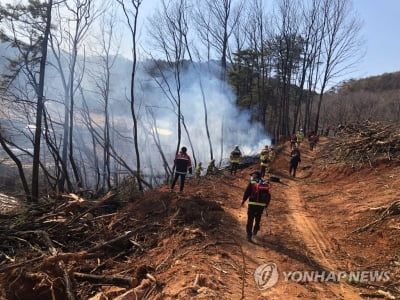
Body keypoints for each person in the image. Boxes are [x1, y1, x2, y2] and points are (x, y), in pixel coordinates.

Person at [241, 171, 271, 241]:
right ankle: (256, 229)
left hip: (252, 203)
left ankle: (249, 235)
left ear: (255, 175)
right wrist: (266, 205)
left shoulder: (252, 182)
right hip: (261, 205)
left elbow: (247, 192)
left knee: (250, 219)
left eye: (252, 175)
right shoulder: (264, 184)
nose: (252, 176)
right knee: (258, 217)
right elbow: (268, 196)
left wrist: (243, 200)